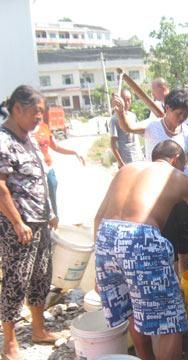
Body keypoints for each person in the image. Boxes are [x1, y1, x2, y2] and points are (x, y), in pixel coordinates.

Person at [94, 140, 188, 360]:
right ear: (175, 159)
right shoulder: (179, 178)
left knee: (132, 310)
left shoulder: (126, 170)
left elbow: (97, 218)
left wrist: (99, 268)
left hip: (107, 236)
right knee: (169, 322)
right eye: (183, 163)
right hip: (140, 240)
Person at [112, 89, 188, 275]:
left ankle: (184, 278)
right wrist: (121, 113)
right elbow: (128, 127)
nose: (182, 118)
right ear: (167, 108)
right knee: (165, 237)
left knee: (185, 237)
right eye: (178, 113)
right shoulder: (152, 127)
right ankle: (170, 276)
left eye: (185, 115)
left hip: (182, 194)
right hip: (157, 195)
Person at [0, 85, 60, 360]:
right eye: (36, 112)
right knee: (16, 281)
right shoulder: (3, 139)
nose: (40, 117)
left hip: (40, 220)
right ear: (17, 109)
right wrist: (16, 222)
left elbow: (40, 177)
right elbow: (1, 188)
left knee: (41, 276)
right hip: (18, 225)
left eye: (42, 112)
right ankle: (10, 343)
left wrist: (51, 211)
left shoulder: (29, 138)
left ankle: (38, 329)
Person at [33, 108, 85, 219]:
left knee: (52, 188)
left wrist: (75, 152)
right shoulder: (26, 131)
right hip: (34, 172)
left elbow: (55, 147)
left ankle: (54, 221)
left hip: (48, 168)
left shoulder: (44, 127)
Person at [109, 89, 143, 168]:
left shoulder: (133, 115)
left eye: (129, 99)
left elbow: (140, 132)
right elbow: (113, 144)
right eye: (125, 100)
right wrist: (120, 162)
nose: (127, 102)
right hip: (126, 161)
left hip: (139, 157)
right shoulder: (114, 119)